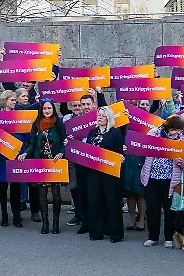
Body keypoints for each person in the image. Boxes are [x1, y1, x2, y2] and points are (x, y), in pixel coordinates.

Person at [140, 115, 184, 248]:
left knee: (170, 210)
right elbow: (142, 148)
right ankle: (152, 237)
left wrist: (183, 162)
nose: (176, 133)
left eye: (179, 130)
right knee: (152, 209)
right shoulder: (153, 134)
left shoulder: (183, 141)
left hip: (171, 181)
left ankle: (168, 238)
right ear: (167, 127)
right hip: (152, 178)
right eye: (174, 129)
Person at [18, 100, 67, 234]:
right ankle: (45, 224)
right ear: (42, 110)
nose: (47, 111)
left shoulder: (58, 124)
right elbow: (33, 144)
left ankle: (55, 223)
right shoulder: (37, 125)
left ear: (53, 109)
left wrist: (62, 152)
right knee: (42, 196)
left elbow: (64, 140)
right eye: (45, 108)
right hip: (41, 164)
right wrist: (25, 153)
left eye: (49, 108)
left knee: (56, 195)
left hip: (55, 163)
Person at [83, 106, 126, 242]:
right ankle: (96, 231)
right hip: (93, 173)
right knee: (94, 201)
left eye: (103, 115)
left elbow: (120, 153)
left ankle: (114, 233)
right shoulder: (92, 132)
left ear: (109, 117)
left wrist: (121, 157)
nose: (100, 117)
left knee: (112, 202)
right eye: (99, 115)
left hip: (109, 174)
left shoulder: (115, 133)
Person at [70, 90, 109, 229]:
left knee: (99, 192)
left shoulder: (100, 119)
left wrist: (99, 93)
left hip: (98, 161)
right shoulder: (75, 122)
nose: (85, 106)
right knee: (83, 191)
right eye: (83, 104)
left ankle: (100, 222)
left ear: (94, 105)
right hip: (81, 160)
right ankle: (84, 221)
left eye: (88, 104)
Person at [0, 90, 26, 227]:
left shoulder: (20, 115)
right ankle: (4, 215)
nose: (14, 102)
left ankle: (16, 216)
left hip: (17, 153)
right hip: (2, 154)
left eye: (14, 100)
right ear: (5, 100)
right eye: (11, 100)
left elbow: (25, 132)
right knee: (3, 186)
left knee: (16, 187)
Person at [123, 100, 150, 232]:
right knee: (130, 193)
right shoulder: (128, 126)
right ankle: (132, 219)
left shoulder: (150, 128)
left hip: (142, 161)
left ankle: (141, 220)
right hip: (129, 161)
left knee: (141, 193)